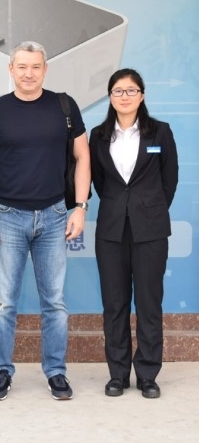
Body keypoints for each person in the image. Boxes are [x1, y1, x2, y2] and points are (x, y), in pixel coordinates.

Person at [0, 41, 91, 401]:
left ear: (45, 69)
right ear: (11, 69)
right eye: (22, 66)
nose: (29, 73)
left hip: (55, 216)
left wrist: (81, 207)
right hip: (8, 217)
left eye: (36, 66)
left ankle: (56, 372)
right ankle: (2, 371)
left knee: (54, 302)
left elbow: (83, 155)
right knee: (4, 303)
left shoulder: (64, 106)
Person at [89, 68, 178, 399]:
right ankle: (118, 374)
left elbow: (169, 179)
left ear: (142, 95)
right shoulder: (98, 136)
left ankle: (148, 374)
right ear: (110, 97)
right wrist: (121, 206)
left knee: (149, 303)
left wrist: (148, 209)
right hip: (111, 230)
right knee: (114, 304)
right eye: (118, 91)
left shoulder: (160, 132)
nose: (124, 96)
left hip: (150, 229)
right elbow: (100, 182)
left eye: (131, 90)